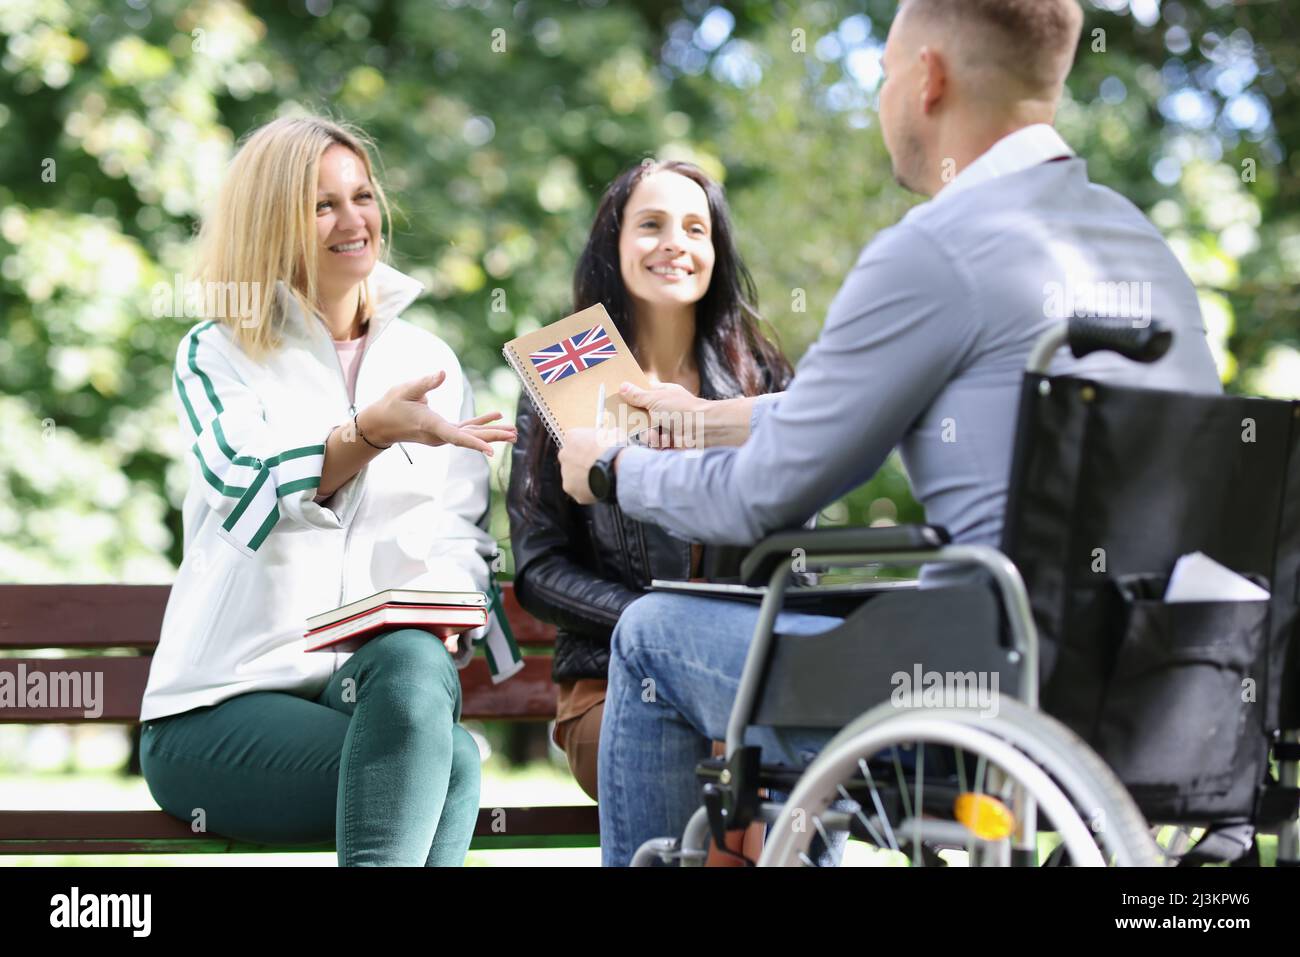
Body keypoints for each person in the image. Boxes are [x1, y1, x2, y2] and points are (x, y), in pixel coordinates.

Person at [556, 0, 1223, 865]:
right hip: (1166, 687)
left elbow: (762, 499)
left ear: (928, 79)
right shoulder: (1142, 248)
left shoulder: (938, 251)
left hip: (983, 688)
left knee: (652, 629)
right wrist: (698, 420)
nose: (879, 102)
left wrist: (616, 471)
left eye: (880, 76)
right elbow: (829, 414)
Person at [138, 115, 517, 866]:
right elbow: (244, 482)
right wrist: (365, 434)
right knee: (452, 767)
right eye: (323, 205)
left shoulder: (427, 357)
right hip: (218, 711)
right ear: (274, 220)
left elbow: (459, 533)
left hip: (366, 697)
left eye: (363, 196)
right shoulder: (217, 351)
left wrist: (447, 609)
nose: (355, 220)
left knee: (416, 665)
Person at [507, 160, 792, 800]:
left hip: (741, 678)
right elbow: (537, 568)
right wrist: (656, 624)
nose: (675, 244)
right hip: (611, 684)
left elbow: (793, 551)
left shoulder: (762, 379)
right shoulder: (564, 373)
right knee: (719, 763)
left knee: (763, 759)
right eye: (651, 225)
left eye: (696, 228)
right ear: (614, 246)